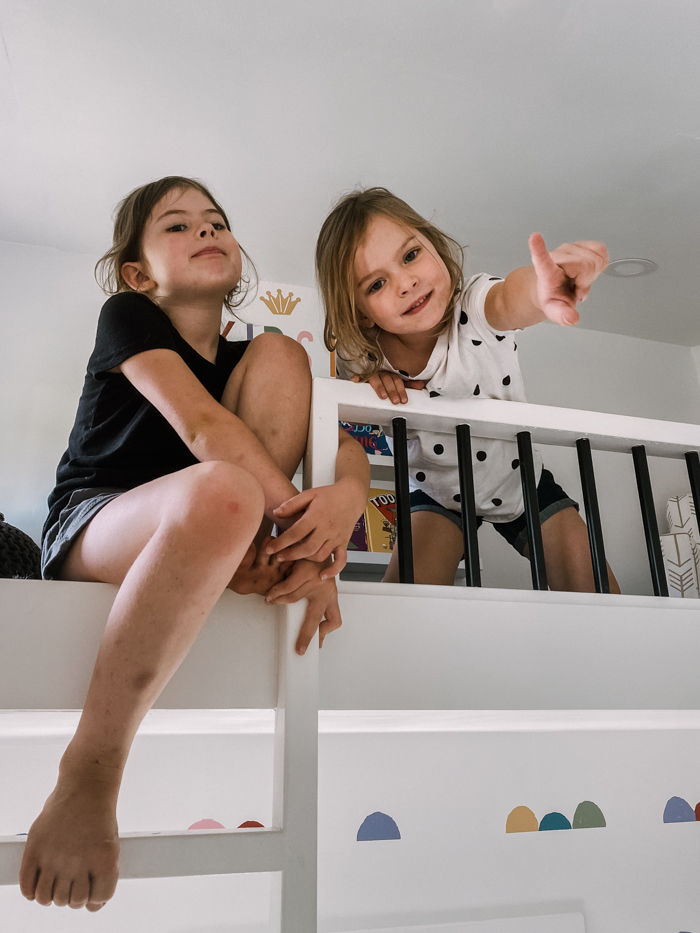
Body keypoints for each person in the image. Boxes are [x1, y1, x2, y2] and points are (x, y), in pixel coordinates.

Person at [21, 176, 370, 912]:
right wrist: (307, 550)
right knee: (226, 486)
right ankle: (91, 768)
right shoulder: (127, 317)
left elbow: (343, 448)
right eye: (178, 226)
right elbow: (207, 433)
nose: (206, 230)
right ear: (140, 274)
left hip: (222, 524)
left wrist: (343, 503)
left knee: (281, 355)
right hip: (98, 519)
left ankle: (251, 550)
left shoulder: (256, 356)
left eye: (216, 221)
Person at [315, 186, 619, 592]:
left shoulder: (473, 307)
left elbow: (509, 297)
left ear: (435, 247)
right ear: (362, 315)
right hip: (438, 493)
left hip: (521, 481)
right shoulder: (368, 363)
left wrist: (541, 291)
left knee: (596, 588)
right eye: (376, 285)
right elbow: (347, 405)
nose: (406, 283)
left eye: (410, 255)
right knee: (406, 593)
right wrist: (372, 384)